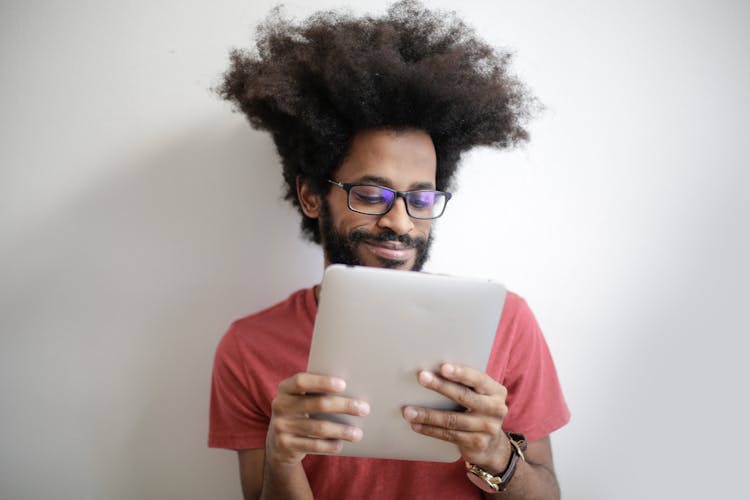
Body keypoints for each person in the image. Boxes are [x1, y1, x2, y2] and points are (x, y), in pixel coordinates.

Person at [208, 1, 570, 498]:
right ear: (313, 195)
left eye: (420, 198)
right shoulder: (248, 348)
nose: (400, 222)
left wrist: (497, 455)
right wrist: (282, 457)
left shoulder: (507, 324)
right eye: (371, 194)